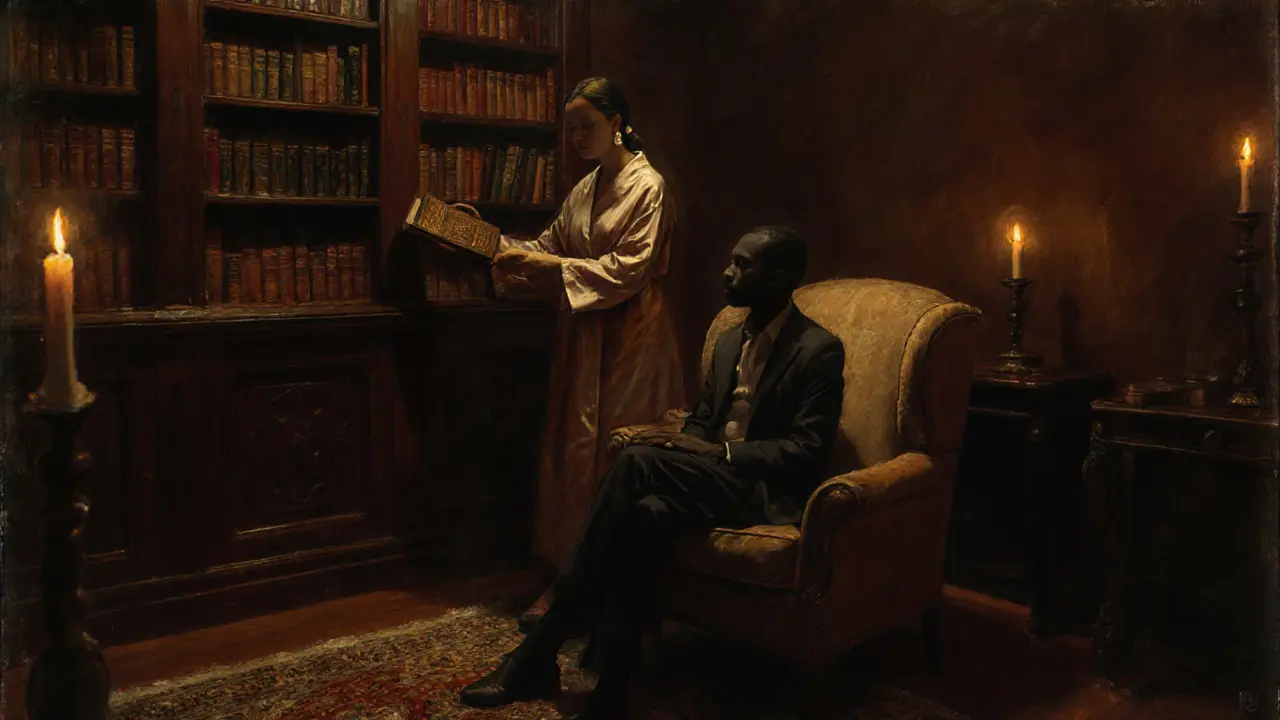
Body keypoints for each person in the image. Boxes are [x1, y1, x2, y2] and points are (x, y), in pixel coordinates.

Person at [462, 226, 847, 719]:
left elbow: (806, 452)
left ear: (780, 277)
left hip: (763, 490)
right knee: (647, 512)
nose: (727, 273)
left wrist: (721, 456)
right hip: (709, 479)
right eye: (731, 260)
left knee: (637, 462)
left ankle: (544, 644)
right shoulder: (728, 341)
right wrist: (690, 442)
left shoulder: (818, 350)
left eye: (744, 265)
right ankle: (613, 685)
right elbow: (705, 422)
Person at [492, 77, 685, 625]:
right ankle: (568, 574)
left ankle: (615, 585)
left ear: (617, 122)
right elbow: (549, 247)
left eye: (588, 124)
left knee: (614, 454)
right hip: (584, 336)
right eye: (571, 126)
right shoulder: (586, 187)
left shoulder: (650, 187)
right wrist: (491, 241)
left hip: (632, 337)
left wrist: (552, 269)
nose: (577, 135)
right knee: (574, 453)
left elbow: (628, 270)